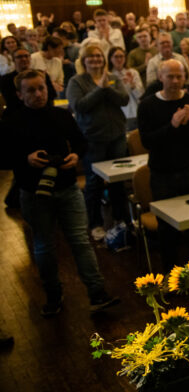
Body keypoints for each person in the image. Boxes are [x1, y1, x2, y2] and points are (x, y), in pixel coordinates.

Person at [0, 70, 120, 316]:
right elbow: (2, 157)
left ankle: (97, 293)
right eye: (31, 90)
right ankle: (53, 296)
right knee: (44, 246)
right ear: (20, 94)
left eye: (41, 88)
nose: (38, 94)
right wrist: (26, 159)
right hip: (34, 192)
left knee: (81, 241)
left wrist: (75, 156)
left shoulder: (60, 114)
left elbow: (80, 142)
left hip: (67, 187)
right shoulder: (12, 122)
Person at [137, 59, 189, 267]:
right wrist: (173, 125)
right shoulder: (147, 105)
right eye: (170, 76)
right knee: (167, 229)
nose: (175, 81)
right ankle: (170, 272)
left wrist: (186, 124)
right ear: (160, 77)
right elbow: (147, 142)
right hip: (162, 174)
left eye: (179, 76)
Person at [66, 43, 130, 240]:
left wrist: (107, 88)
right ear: (84, 61)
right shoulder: (76, 82)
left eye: (99, 56)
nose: (96, 59)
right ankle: (95, 224)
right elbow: (79, 106)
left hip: (117, 136)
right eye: (91, 57)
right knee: (94, 183)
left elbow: (124, 99)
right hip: (93, 139)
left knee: (118, 180)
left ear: (104, 60)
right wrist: (100, 89)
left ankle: (121, 220)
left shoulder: (112, 78)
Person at [0, 48, 56, 113]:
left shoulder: (42, 75)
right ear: (13, 60)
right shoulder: (6, 79)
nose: (24, 59)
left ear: (30, 58)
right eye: (19, 57)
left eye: (26, 56)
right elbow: (11, 101)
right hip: (17, 113)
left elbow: (52, 95)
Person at [108, 46, 144, 131]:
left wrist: (132, 85)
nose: (119, 59)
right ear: (110, 58)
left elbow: (141, 95)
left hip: (134, 111)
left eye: (121, 56)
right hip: (116, 113)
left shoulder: (133, 73)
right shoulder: (108, 75)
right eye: (116, 57)